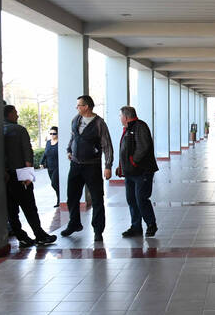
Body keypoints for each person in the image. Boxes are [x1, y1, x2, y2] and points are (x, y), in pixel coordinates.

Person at [60, 95, 113, 242]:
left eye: (79, 105)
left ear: (86, 107)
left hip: (92, 166)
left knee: (97, 199)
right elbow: (73, 137)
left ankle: (98, 230)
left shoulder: (99, 123)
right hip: (75, 165)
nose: (77, 107)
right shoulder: (75, 120)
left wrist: (108, 166)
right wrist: (69, 150)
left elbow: (107, 145)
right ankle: (74, 223)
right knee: (72, 196)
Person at [3, 105, 57, 247]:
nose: (18, 115)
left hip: (5, 176)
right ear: (9, 114)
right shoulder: (19, 130)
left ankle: (22, 237)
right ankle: (39, 235)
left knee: (11, 210)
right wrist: (28, 176)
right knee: (29, 206)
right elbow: (27, 152)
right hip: (21, 173)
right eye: (15, 112)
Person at [115, 106, 159, 238]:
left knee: (141, 199)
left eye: (120, 116)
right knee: (131, 199)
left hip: (142, 171)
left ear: (126, 117)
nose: (119, 118)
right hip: (130, 172)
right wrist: (121, 166)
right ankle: (136, 227)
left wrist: (133, 162)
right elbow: (125, 150)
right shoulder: (127, 128)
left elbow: (143, 147)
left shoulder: (140, 127)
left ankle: (151, 224)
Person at [39, 126, 60, 207]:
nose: (52, 135)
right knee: (56, 184)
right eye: (50, 133)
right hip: (49, 166)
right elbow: (45, 153)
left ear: (58, 134)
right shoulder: (48, 142)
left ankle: (60, 199)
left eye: (54, 133)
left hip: (57, 166)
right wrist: (41, 162)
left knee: (54, 183)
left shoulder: (60, 142)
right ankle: (59, 199)